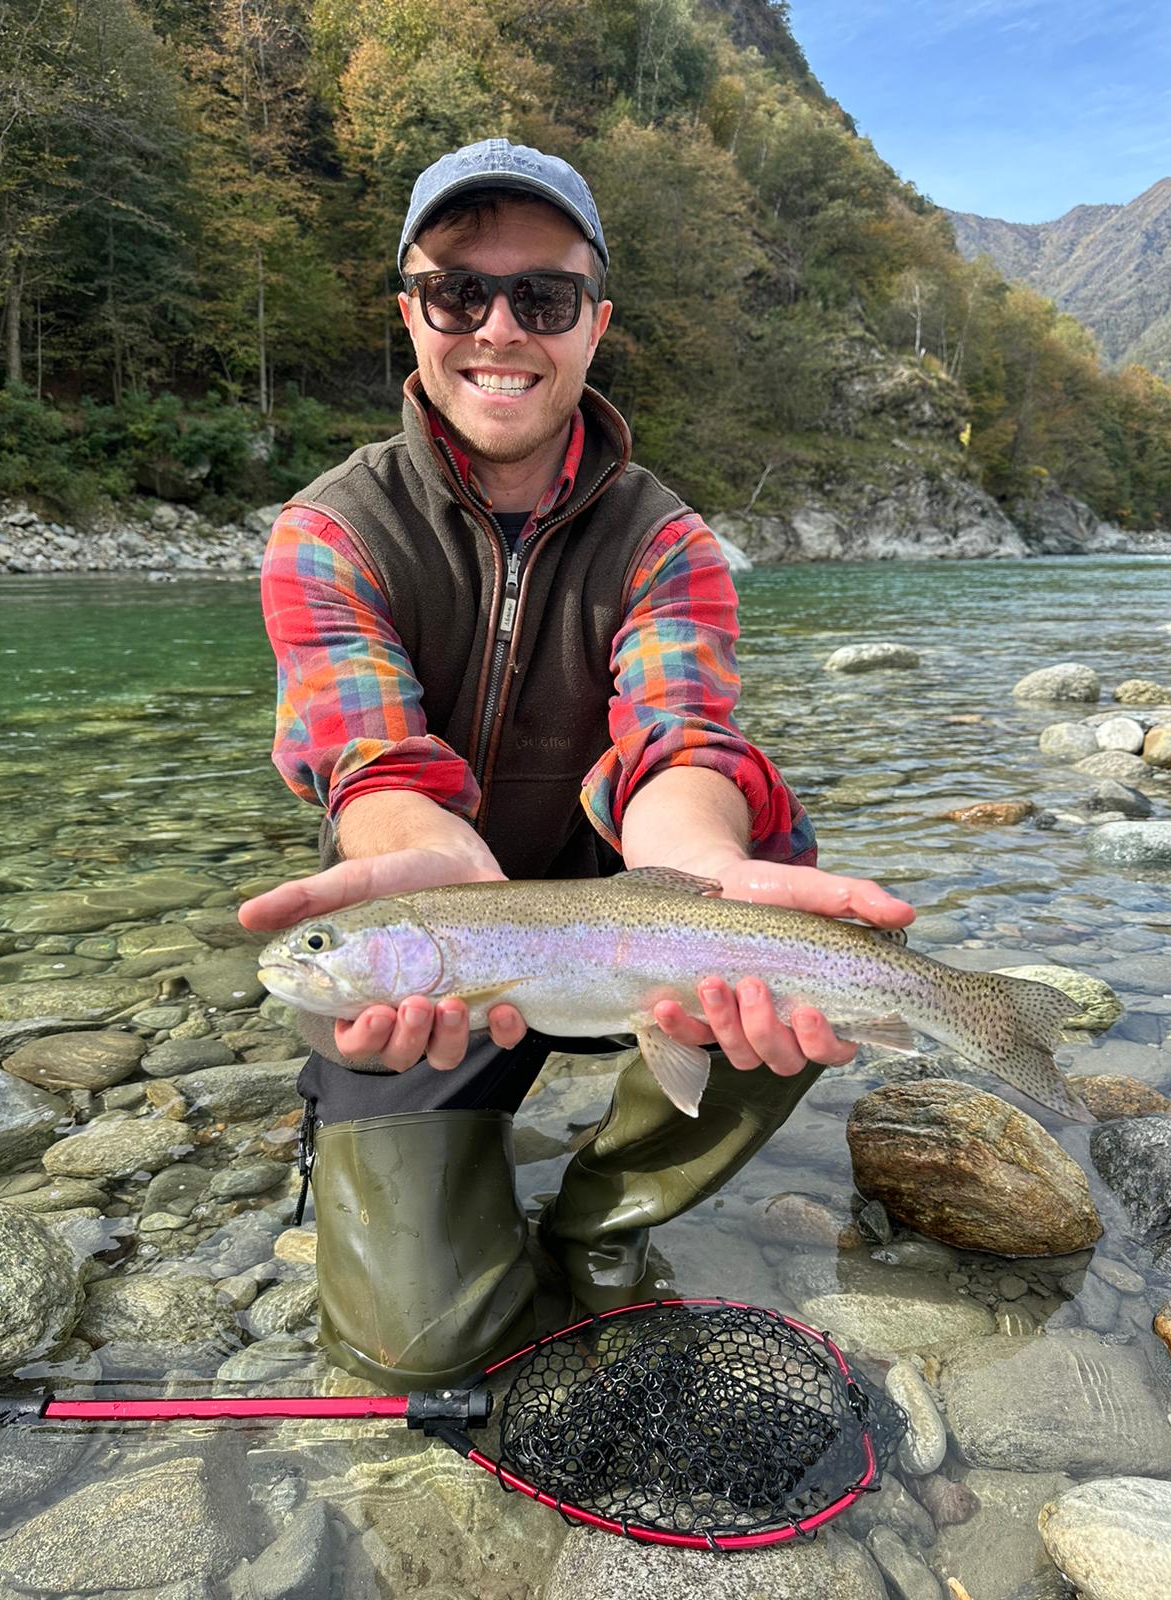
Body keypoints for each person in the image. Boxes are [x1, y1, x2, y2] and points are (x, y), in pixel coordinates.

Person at [239, 138, 913, 1392]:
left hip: (632, 925)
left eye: (542, 298)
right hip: (445, 954)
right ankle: (446, 1175)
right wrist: (417, 872)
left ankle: (604, 1225)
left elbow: (682, 735)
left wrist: (706, 860)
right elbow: (372, 761)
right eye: (459, 293)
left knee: (770, 884)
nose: (500, 328)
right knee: (411, 1346)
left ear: (594, 325)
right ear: (412, 316)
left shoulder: (668, 540)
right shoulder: (330, 532)